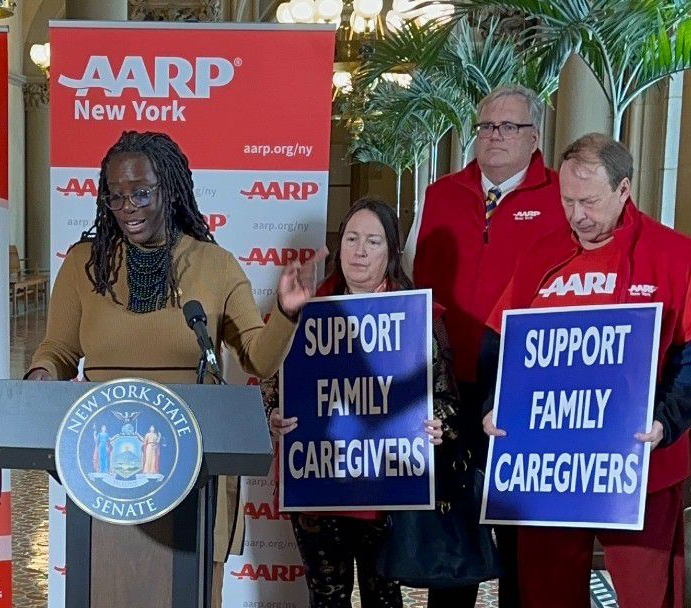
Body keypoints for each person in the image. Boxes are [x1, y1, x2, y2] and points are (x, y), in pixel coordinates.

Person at [26, 130, 326, 607]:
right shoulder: (84, 265)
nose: (128, 207)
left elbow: (258, 356)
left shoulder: (215, 265)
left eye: (141, 192)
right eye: (116, 195)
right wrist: (39, 378)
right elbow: (58, 350)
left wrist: (287, 314)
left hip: (196, 469)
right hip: (107, 472)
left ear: (169, 187)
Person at [482, 133, 691, 608]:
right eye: (567, 201)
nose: (577, 215)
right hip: (549, 470)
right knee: (546, 593)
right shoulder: (539, 254)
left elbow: (690, 357)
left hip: (640, 465)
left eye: (590, 202)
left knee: (646, 594)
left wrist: (666, 419)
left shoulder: (674, 256)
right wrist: (493, 407)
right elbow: (500, 343)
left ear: (624, 190)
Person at [409, 85, 565, 607]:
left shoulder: (560, 197)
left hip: (523, 389)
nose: (494, 136)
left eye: (508, 127)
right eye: (485, 127)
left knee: (519, 534)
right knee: (455, 534)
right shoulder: (441, 193)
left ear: (534, 136)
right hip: (452, 388)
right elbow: (419, 286)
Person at [268, 198, 449, 608]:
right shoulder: (303, 311)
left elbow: (447, 400)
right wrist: (273, 415)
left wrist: (439, 425)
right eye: (351, 239)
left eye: (372, 241)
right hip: (319, 487)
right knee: (327, 598)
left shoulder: (421, 317)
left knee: (382, 599)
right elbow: (269, 381)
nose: (360, 251)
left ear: (391, 252)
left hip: (388, 492)